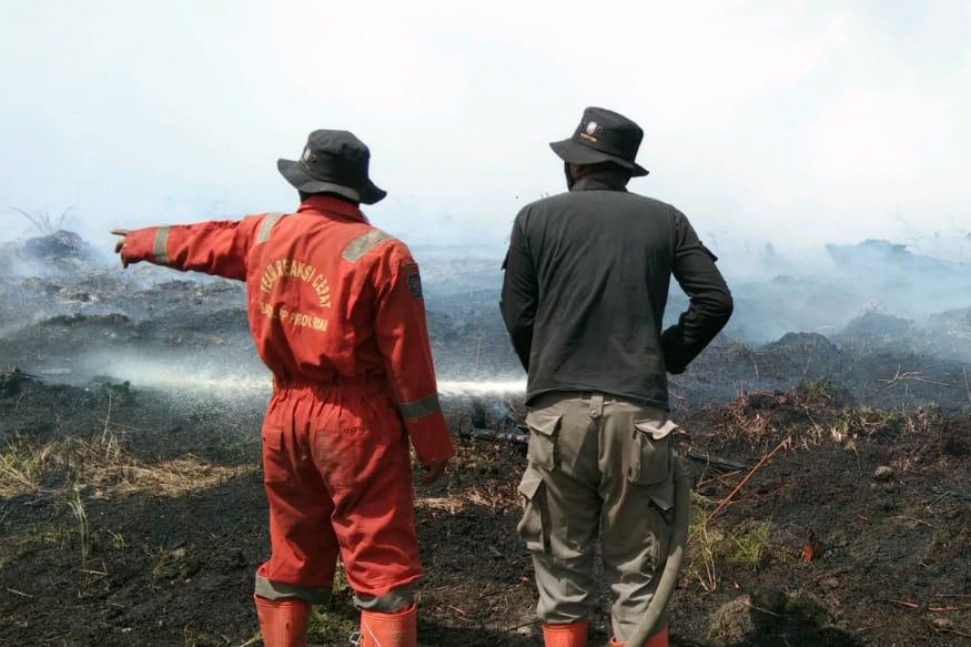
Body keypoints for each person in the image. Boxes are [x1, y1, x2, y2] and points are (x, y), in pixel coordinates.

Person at [112, 130, 454, 647]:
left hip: (285, 419)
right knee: (381, 560)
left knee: (293, 549)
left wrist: (140, 242)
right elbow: (409, 365)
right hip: (355, 423)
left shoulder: (264, 234)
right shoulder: (384, 254)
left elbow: (203, 241)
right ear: (357, 190)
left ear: (302, 184)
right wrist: (432, 446)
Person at [500, 107, 733, 647]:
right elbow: (715, 300)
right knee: (639, 578)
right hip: (639, 420)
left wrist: (547, 372)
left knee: (560, 575)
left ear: (574, 166)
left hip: (557, 419)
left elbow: (517, 314)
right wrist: (668, 352)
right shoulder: (665, 218)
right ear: (626, 170)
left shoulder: (533, 219)